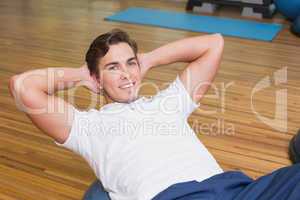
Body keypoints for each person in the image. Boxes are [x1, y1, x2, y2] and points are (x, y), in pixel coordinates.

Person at [9, 29, 300, 200]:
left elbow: (214, 43)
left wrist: (147, 60)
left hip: (237, 191)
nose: (126, 74)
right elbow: (22, 86)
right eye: (113, 67)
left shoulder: (168, 102)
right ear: (97, 80)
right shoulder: (86, 127)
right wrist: (82, 75)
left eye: (130, 64)